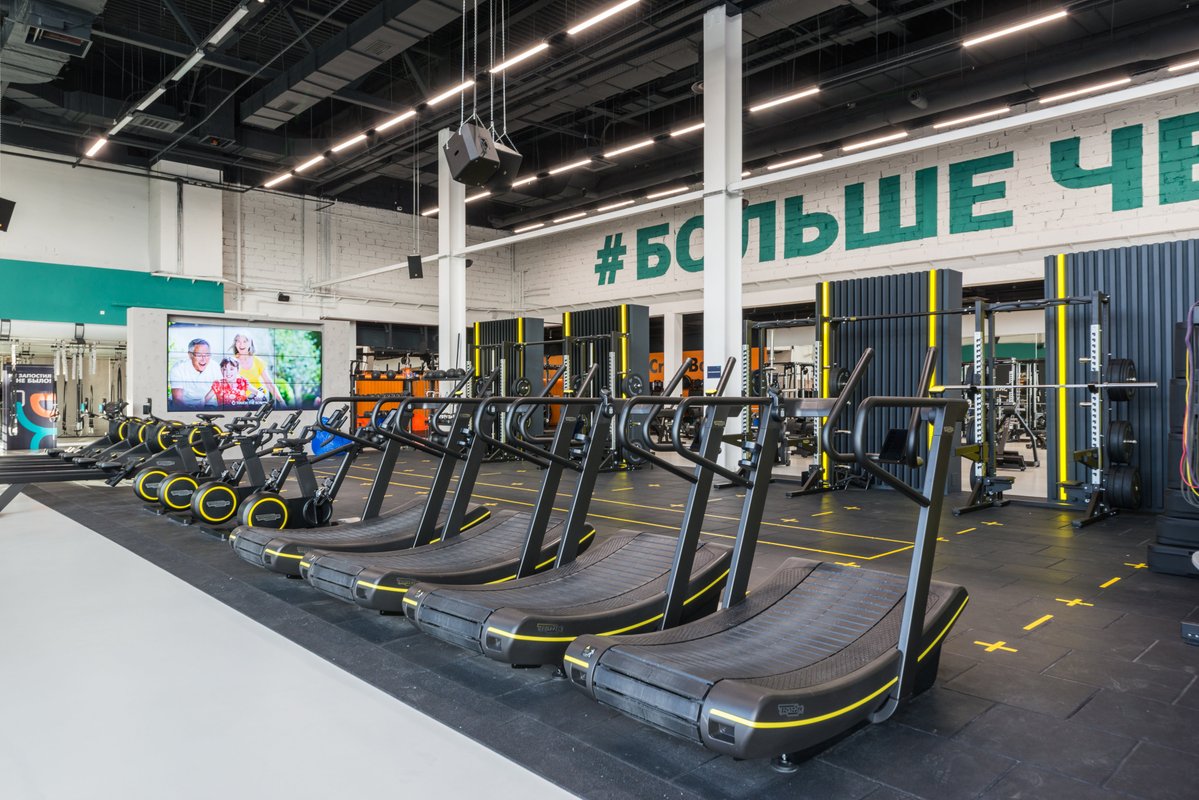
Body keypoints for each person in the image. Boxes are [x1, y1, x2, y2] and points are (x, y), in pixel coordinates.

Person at [231, 333, 283, 405]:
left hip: (258, 400)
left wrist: (281, 401)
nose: (241, 344)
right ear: (235, 344)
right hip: (240, 402)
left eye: (245, 341)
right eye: (238, 341)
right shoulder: (231, 362)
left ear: (250, 343)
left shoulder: (258, 361)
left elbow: (269, 383)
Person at [169, 338, 220, 409]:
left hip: (207, 404)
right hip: (184, 404)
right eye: (199, 355)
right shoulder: (178, 368)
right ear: (190, 355)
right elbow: (178, 400)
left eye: (207, 354)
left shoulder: (215, 367)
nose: (204, 359)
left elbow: (219, 391)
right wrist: (189, 412)